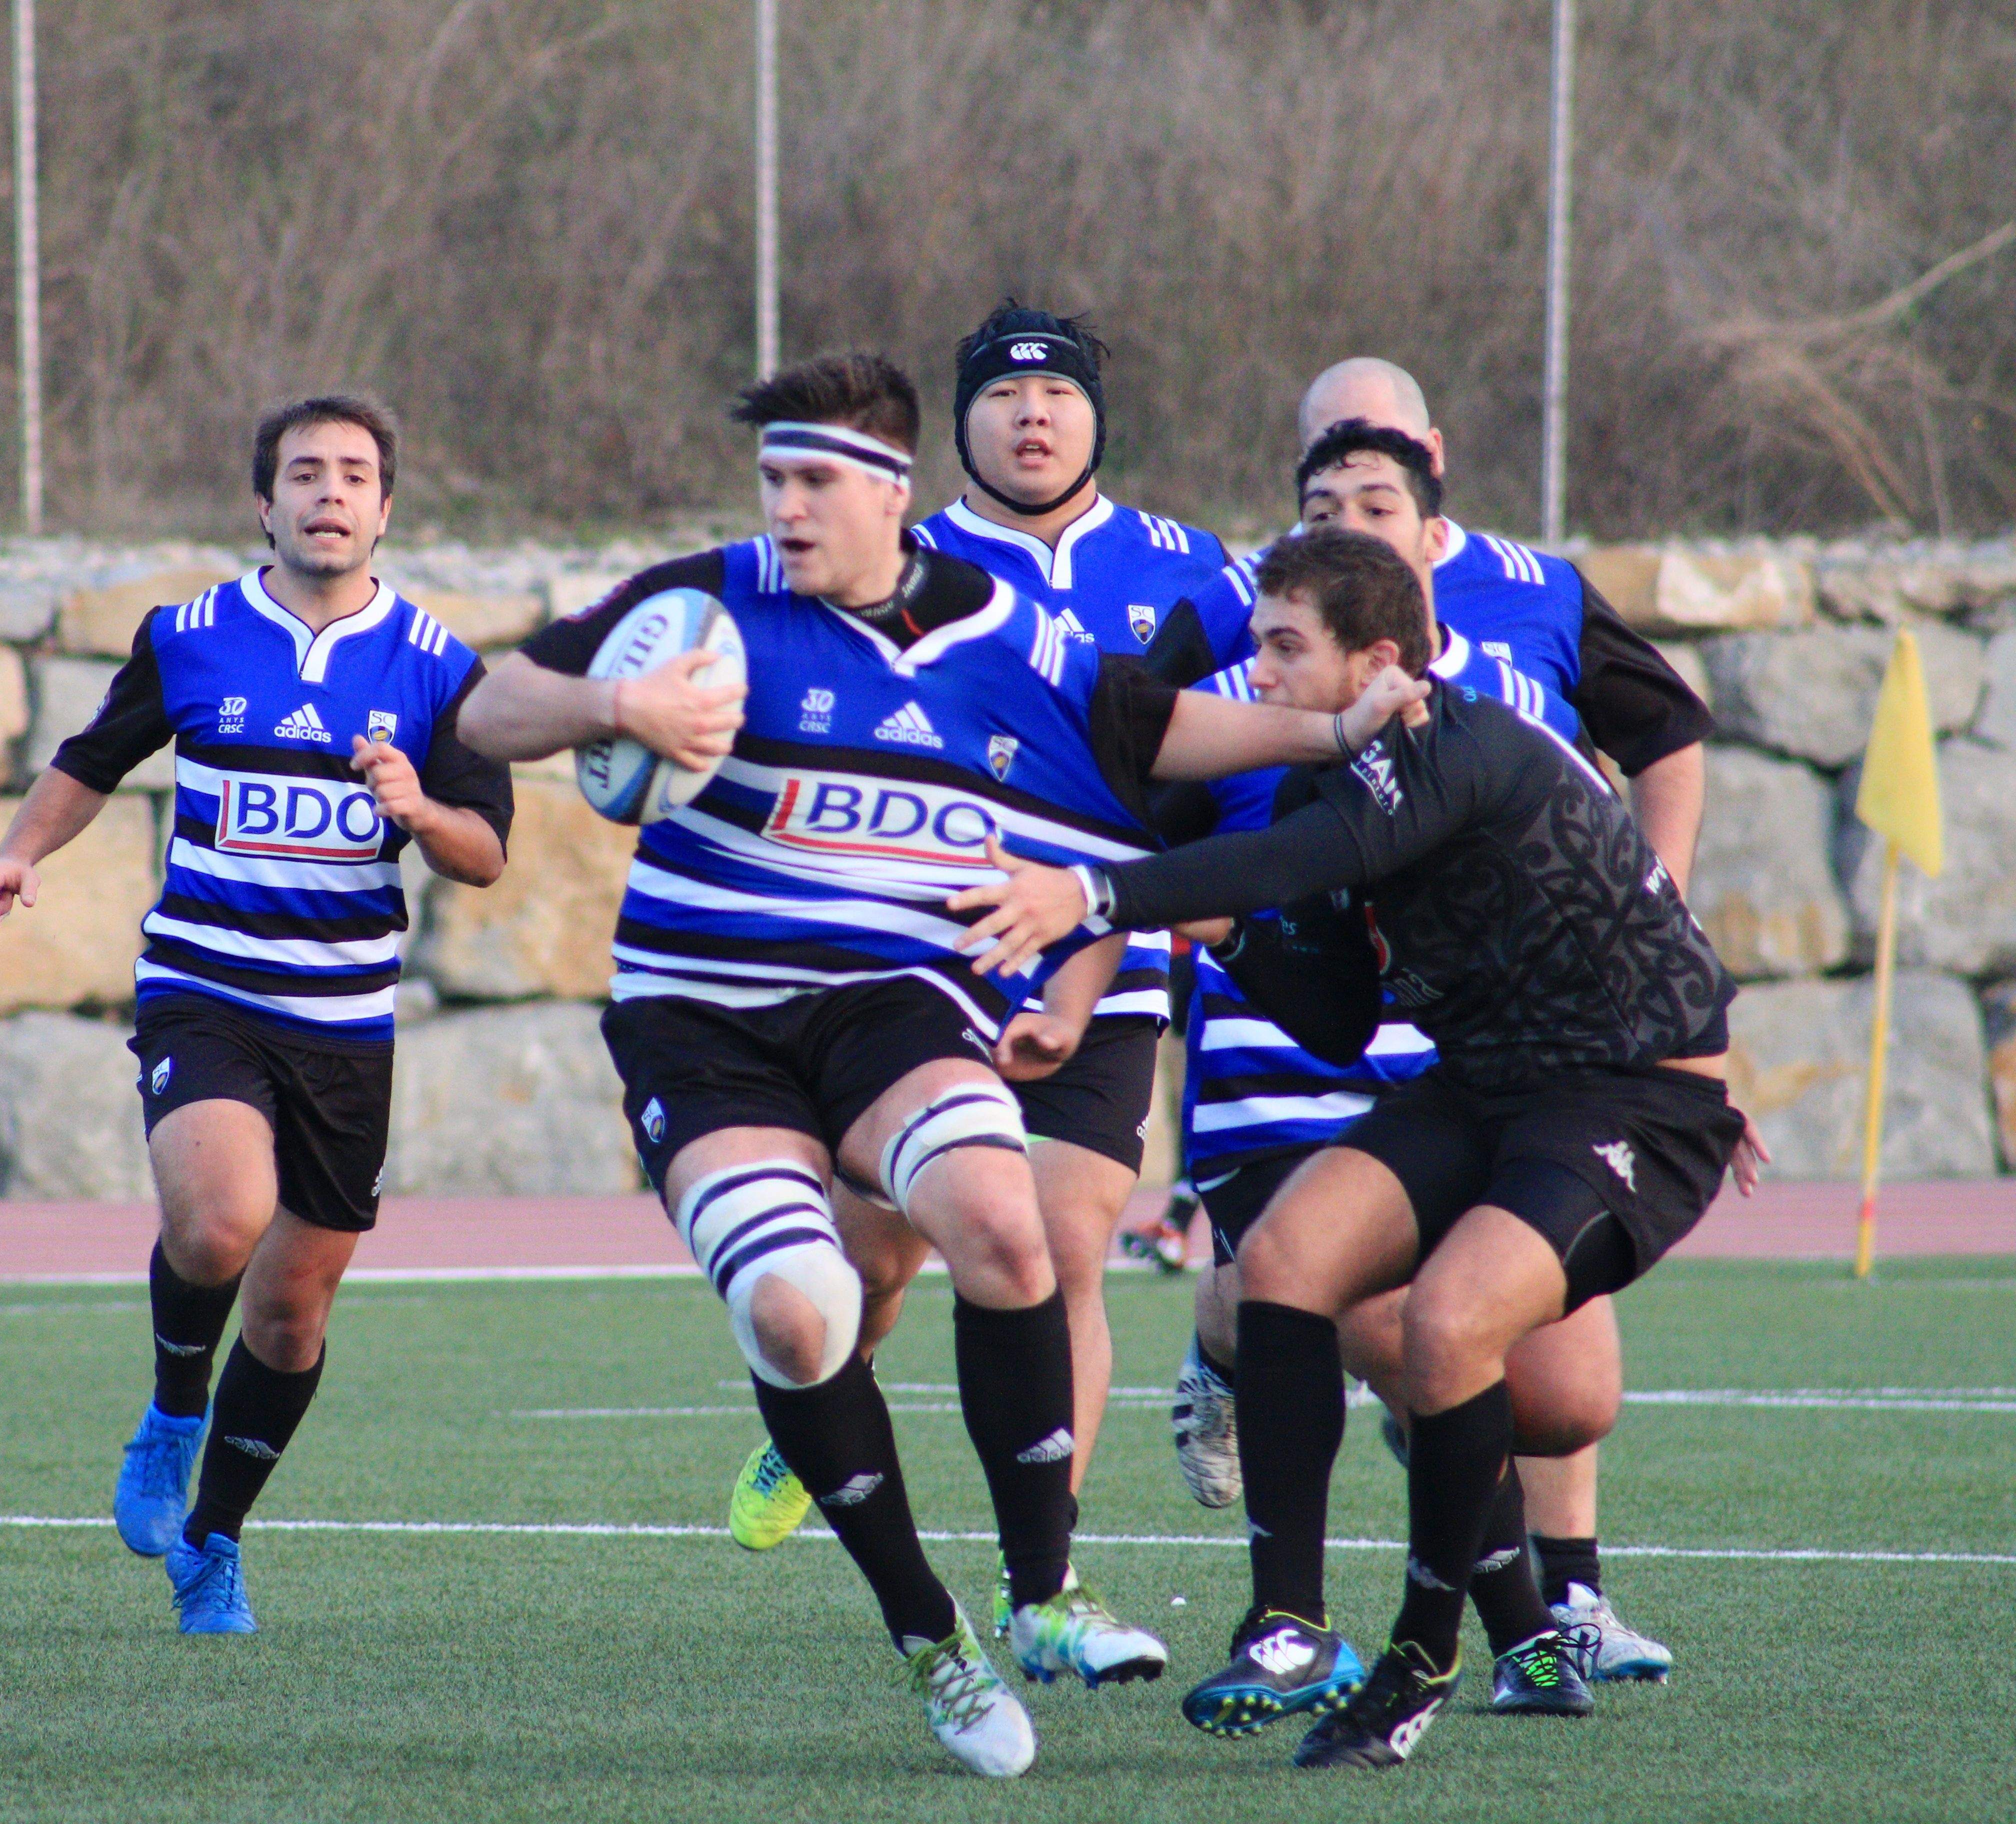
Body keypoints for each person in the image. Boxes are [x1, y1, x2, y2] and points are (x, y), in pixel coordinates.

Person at [456, 351, 1424, 1777]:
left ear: (891, 494)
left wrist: (1333, 727)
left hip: (891, 1008)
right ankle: (931, 1636)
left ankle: (1042, 1596)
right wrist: (620, 712)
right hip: (702, 1022)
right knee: (798, 1318)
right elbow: (486, 713)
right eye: (772, 479)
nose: (785, 508)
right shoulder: (702, 602)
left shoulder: (999, 632)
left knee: (1000, 1218)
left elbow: (1152, 730)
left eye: (813, 482)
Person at [950, 526, 1760, 1770]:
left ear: (1379, 661)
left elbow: (1303, 858)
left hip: (1633, 1098)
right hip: (1486, 1085)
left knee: (1456, 1337)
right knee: (1283, 1261)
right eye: (1256, 641)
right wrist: (1227, 932)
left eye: (1284, 648)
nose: (1255, 672)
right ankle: (1290, 1624)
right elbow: (1332, 1016)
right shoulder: (1318, 792)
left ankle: (1426, 1657)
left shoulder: (1457, 743)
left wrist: (1093, 892)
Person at [1171, 370, 1716, 1678]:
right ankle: (1426, 1623)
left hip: (1499, 1050)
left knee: (1564, 1390)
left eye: (1377, 492)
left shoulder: (1529, 607)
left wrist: (1652, 931)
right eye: (1321, 488)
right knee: (1391, 1319)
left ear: (1433, 499)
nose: (1348, 517)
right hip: (1282, 1040)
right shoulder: (1237, 616)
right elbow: (1157, 797)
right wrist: (1113, 918)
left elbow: (1669, 741)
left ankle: (1545, 1605)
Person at [0, 396, 512, 1638]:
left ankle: (214, 1540)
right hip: (205, 988)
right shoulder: (194, 634)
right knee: (219, 1227)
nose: (330, 492)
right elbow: (94, 758)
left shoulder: (438, 665)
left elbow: (486, 854)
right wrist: (14, 852)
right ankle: (168, 1413)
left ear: (386, 508)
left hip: (346, 1024)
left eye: (355, 474)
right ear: (262, 503)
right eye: (304, 472)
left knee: (294, 1308)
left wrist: (421, 810)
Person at [723, 304, 1242, 1565]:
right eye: (1004, 397)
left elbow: (1229, 751)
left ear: (1095, 418)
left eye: (1057, 395)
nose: (1033, 416)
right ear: (957, 424)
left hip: (1100, 963)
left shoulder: (1196, 572)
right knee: (871, 1266)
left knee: (1062, 1256)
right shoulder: (894, 559)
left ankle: (1041, 1574)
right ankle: (815, 1414)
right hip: (918, 962)